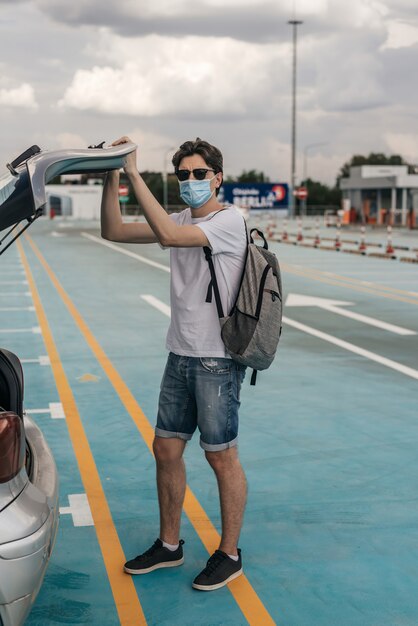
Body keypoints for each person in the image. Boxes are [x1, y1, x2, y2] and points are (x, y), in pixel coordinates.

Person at [101, 136, 247, 591]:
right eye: (182, 175)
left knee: (221, 457)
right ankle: (170, 545)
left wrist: (132, 171)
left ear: (218, 178)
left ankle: (229, 553)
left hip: (216, 361)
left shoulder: (230, 222)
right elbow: (114, 231)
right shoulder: (182, 217)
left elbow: (167, 235)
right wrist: (110, 172)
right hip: (180, 352)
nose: (190, 182)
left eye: (199, 174)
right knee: (166, 450)